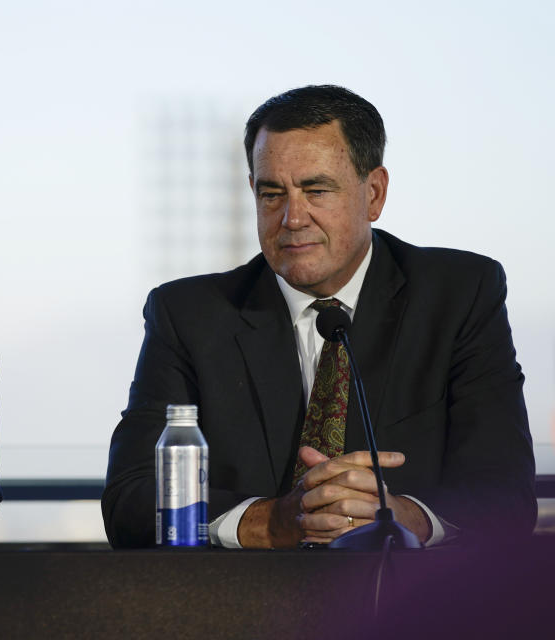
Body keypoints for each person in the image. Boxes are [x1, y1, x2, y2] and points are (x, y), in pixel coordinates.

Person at [102, 85, 536, 548]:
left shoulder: (459, 294)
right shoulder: (189, 314)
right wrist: (269, 521)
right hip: (239, 605)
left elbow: (504, 497)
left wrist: (405, 516)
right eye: (271, 193)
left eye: (316, 189)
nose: (292, 217)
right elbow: (130, 501)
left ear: (373, 193)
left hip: (409, 603)